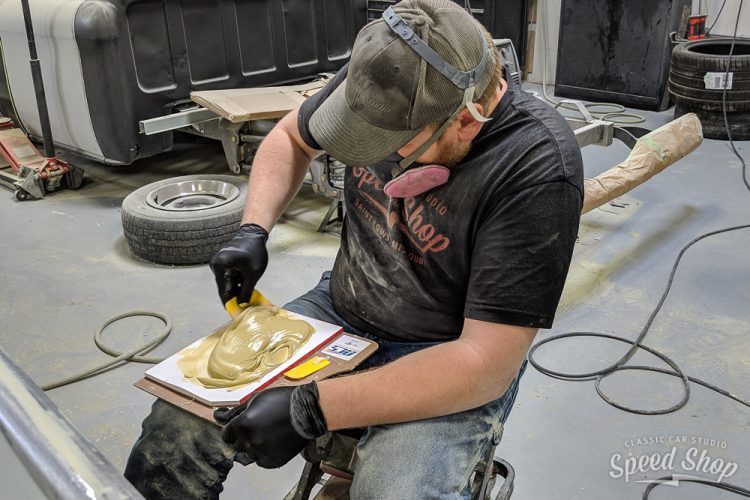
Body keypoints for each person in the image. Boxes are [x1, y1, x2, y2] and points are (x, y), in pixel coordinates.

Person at [124, 0, 583, 498]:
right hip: (342, 308)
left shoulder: (537, 167)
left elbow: (484, 363)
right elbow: (291, 137)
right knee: (173, 434)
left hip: (448, 354)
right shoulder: (394, 70)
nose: (374, 158)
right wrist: (252, 230)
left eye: (390, 147)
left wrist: (312, 408)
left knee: (394, 493)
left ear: (465, 123)